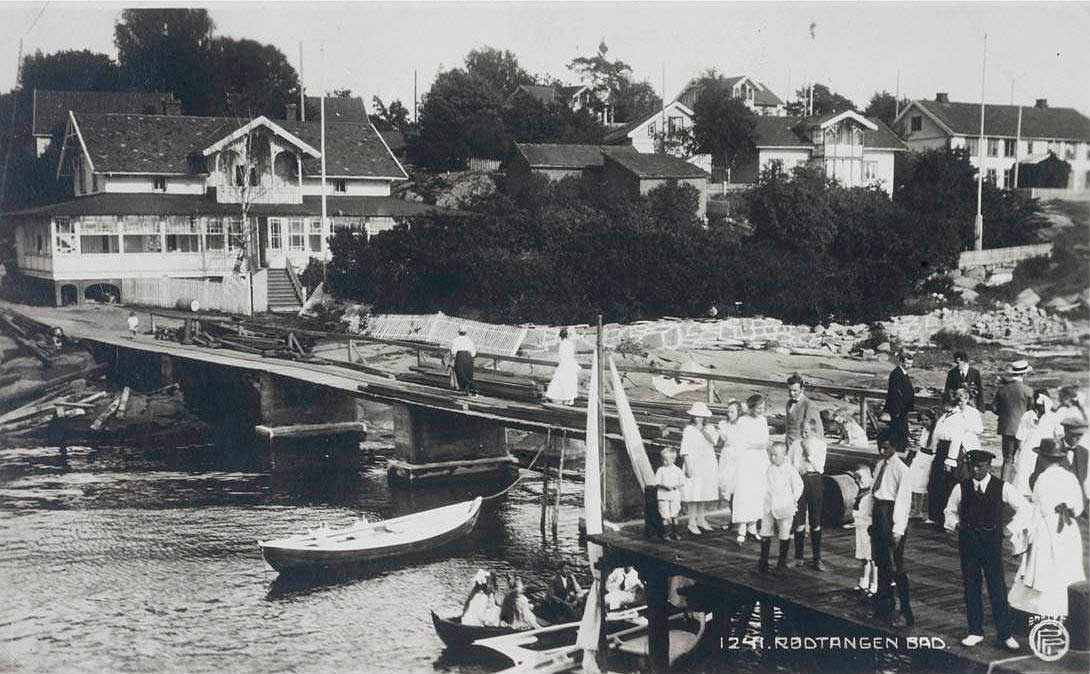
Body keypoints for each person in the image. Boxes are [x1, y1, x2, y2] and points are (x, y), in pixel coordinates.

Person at [943, 450, 1027, 650]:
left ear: (989, 466)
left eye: (979, 466)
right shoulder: (960, 487)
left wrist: (1010, 529)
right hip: (969, 542)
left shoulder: (1003, 487)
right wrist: (956, 525)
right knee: (971, 586)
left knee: (997, 587)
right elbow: (949, 511)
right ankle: (975, 631)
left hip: (991, 543)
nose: (974, 469)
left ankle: (1005, 634)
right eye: (972, 465)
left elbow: (1025, 509)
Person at [1008, 439, 1086, 618]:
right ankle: (1066, 606)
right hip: (1067, 528)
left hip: (1047, 526)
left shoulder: (1043, 478)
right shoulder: (1070, 477)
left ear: (1043, 458)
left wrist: (1023, 529)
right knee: (1066, 565)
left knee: (1045, 565)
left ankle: (1041, 609)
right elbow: (1078, 507)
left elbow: (1037, 507)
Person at [871, 436, 914, 626]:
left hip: (891, 515)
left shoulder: (902, 470)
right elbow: (873, 492)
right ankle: (883, 606)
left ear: (894, 447)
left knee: (895, 565)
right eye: (880, 447)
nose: (882, 451)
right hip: (878, 513)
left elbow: (903, 501)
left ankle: (906, 611)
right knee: (881, 562)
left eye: (886, 447)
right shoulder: (880, 465)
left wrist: (898, 529)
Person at [757, 442, 804, 574]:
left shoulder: (790, 470)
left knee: (784, 532)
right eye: (771, 454)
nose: (772, 458)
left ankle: (781, 562)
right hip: (769, 505)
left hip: (785, 506)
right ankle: (763, 561)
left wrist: (792, 499)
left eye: (776, 455)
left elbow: (798, 486)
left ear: (784, 456)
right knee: (765, 531)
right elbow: (762, 485)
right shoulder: (768, 469)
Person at [732, 394, 771, 545]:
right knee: (744, 493)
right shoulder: (742, 421)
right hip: (746, 460)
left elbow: (765, 441)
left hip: (760, 460)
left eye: (763, 408)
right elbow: (740, 443)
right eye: (758, 408)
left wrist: (759, 445)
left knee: (758, 492)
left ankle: (753, 527)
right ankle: (741, 529)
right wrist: (755, 445)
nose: (761, 411)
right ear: (751, 407)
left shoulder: (763, 420)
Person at [791, 417, 828, 570]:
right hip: (799, 480)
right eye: (802, 431)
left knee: (815, 520)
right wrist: (797, 468)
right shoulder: (795, 444)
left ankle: (817, 559)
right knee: (798, 519)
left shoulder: (821, 445)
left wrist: (808, 452)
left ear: (813, 431)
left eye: (806, 431)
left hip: (814, 480)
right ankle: (798, 558)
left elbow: (820, 467)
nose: (803, 435)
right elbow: (790, 463)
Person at [1012, 389, 1062, 497]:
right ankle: (1024, 493)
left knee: (1042, 470)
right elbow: (1021, 434)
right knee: (1025, 470)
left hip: (1046, 448)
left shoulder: (1052, 416)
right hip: (1029, 447)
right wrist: (1020, 451)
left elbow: (1059, 433)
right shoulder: (1028, 415)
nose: (1040, 406)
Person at [679, 402, 720, 536]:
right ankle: (691, 522)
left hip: (707, 464)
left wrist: (703, 430)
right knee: (693, 494)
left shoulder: (710, 428)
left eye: (701, 416)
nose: (699, 419)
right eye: (696, 416)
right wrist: (688, 465)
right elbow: (685, 449)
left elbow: (714, 441)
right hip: (694, 464)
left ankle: (701, 519)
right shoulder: (688, 430)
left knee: (703, 493)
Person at [993, 360, 1034, 482]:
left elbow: (994, 408)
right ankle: (1023, 486)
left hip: (1007, 428)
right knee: (1025, 458)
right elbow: (1032, 411)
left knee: (1007, 459)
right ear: (1024, 374)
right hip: (1024, 429)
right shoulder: (1028, 390)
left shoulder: (1002, 390)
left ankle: (1003, 487)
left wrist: (1005, 414)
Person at [927, 394, 963, 528]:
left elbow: (956, 440)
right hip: (941, 450)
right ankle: (935, 516)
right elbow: (936, 435)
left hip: (949, 452)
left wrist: (950, 460)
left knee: (946, 485)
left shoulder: (958, 418)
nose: (941, 406)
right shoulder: (944, 416)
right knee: (935, 483)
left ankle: (946, 520)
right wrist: (934, 452)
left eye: (943, 403)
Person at [880, 350, 915, 453]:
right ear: (901, 362)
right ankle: (898, 452)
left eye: (911, 364)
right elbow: (895, 394)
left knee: (902, 432)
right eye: (907, 363)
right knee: (899, 432)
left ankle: (900, 451)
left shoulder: (903, 373)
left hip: (902, 410)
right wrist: (898, 410)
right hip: (897, 410)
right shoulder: (896, 373)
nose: (909, 366)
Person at [851, 464, 878, 596]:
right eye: (856, 478)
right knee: (863, 557)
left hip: (869, 528)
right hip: (860, 528)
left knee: (872, 558)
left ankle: (875, 584)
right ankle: (864, 581)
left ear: (870, 476)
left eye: (861, 477)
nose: (858, 480)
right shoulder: (861, 492)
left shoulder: (872, 494)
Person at [907, 409, 938, 522]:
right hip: (921, 456)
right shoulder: (924, 430)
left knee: (925, 484)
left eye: (927, 419)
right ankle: (917, 510)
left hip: (929, 458)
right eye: (922, 420)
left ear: (932, 420)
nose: (924, 422)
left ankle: (929, 513)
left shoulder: (936, 432)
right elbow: (921, 444)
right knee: (915, 483)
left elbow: (935, 447)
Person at [716, 400, 744, 525]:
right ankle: (732, 519)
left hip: (739, 456)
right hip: (727, 457)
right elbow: (720, 441)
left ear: (739, 412)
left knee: (740, 488)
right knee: (729, 488)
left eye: (732, 411)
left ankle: (744, 519)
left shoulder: (743, 425)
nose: (729, 414)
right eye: (728, 411)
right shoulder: (723, 425)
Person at [785, 373, 823, 447]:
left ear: (802, 390)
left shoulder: (809, 405)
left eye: (795, 391)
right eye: (789, 390)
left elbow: (817, 430)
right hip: (789, 445)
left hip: (802, 447)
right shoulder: (789, 403)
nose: (792, 393)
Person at [655, 447, 685, 541]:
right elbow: (657, 482)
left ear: (673, 459)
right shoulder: (660, 470)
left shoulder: (678, 470)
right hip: (663, 496)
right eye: (662, 459)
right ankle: (666, 533)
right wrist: (664, 486)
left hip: (674, 496)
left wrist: (676, 486)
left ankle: (676, 533)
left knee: (674, 514)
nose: (664, 462)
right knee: (665, 515)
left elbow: (682, 482)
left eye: (666, 460)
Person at [544, 328, 580, 405]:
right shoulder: (569, 344)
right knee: (567, 382)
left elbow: (562, 356)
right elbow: (568, 356)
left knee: (563, 381)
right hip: (568, 364)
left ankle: (562, 399)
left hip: (566, 364)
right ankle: (567, 399)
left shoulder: (563, 344)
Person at [449, 326, 477, 397]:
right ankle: (468, 389)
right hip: (468, 357)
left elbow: (453, 351)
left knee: (460, 373)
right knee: (468, 374)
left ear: (459, 333)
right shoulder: (469, 340)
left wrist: (453, 358)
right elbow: (473, 352)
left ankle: (469, 387)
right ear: (465, 333)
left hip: (460, 356)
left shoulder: (455, 340)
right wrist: (471, 357)